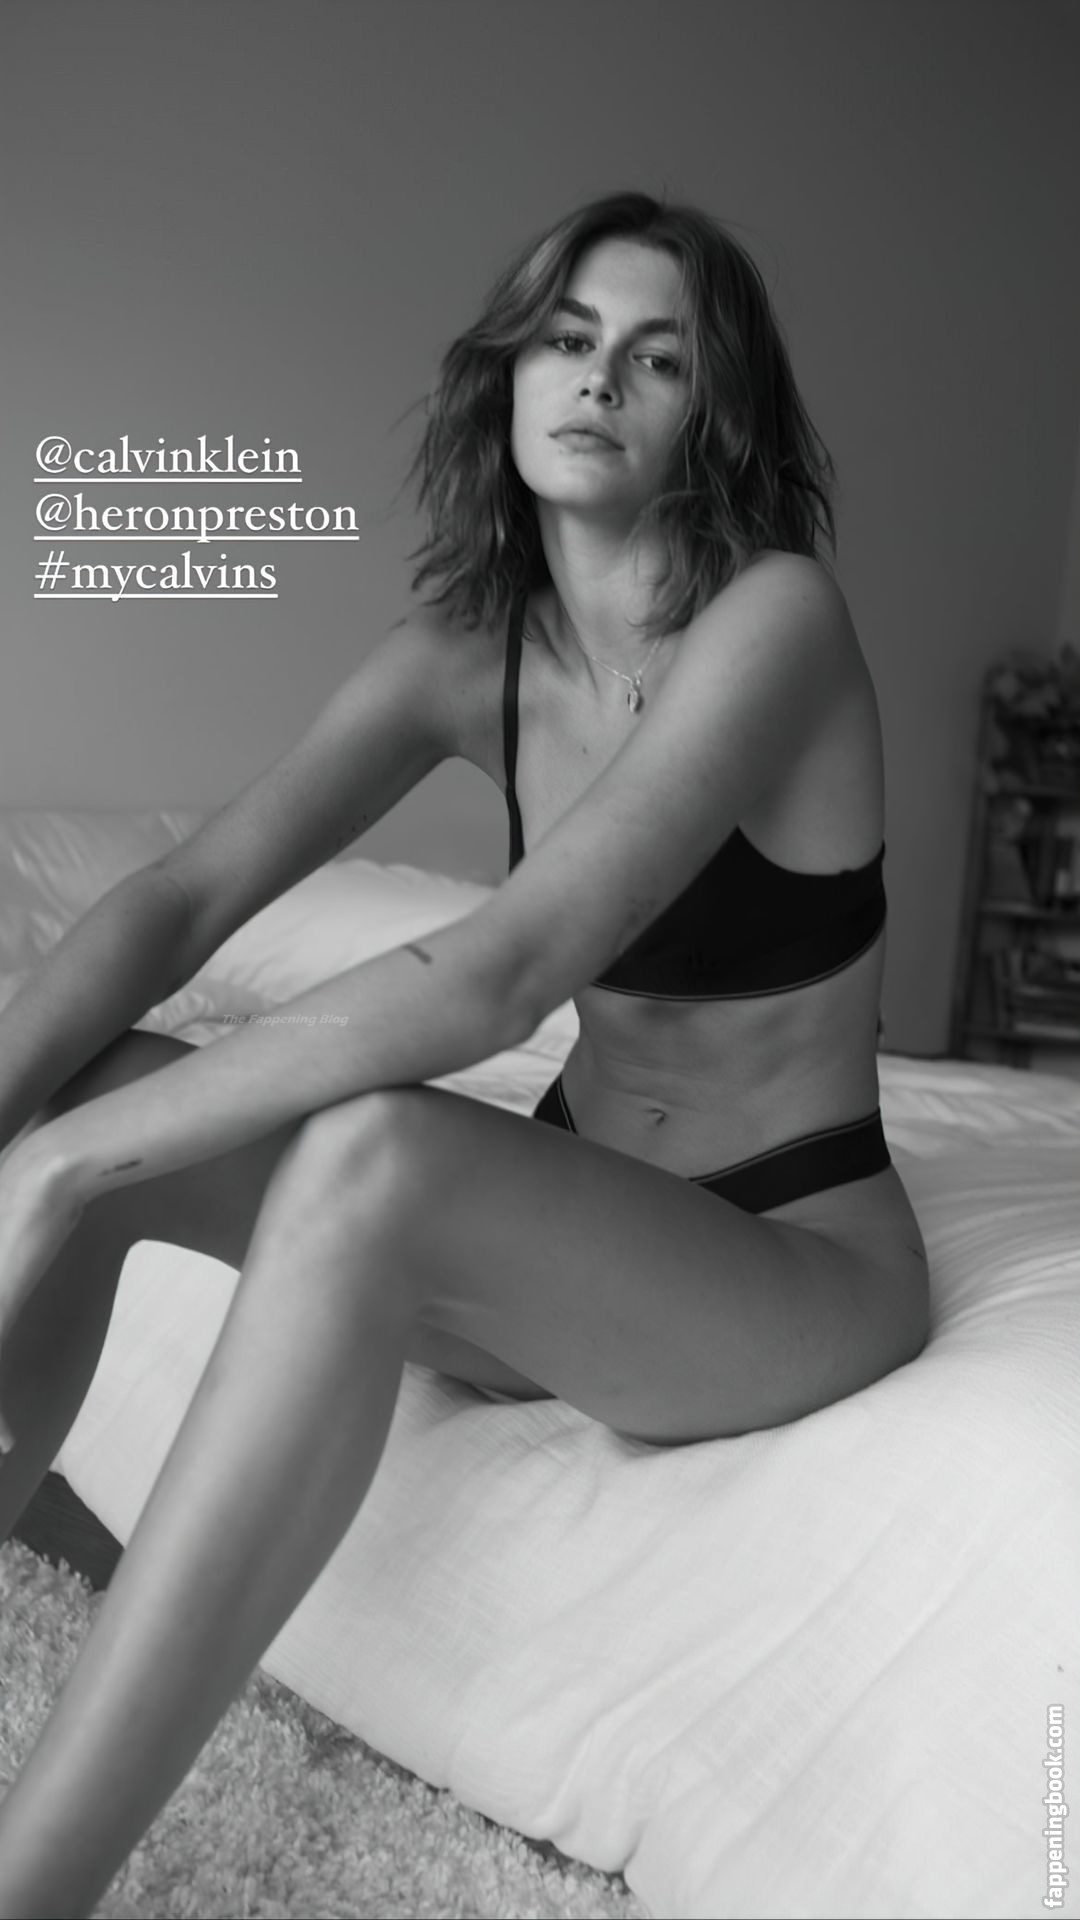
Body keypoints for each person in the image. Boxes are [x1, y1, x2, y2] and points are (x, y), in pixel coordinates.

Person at [0, 189, 930, 1915]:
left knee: (356, 1150)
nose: (601, 379)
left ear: (714, 414)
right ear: (506, 374)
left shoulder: (776, 621)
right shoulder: (464, 656)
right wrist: (27, 1122)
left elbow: (503, 971)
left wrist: (58, 1171)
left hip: (786, 1255)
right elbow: (184, 896)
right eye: (568, 339)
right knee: (99, 1084)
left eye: (660, 358)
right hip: (574, 1239)